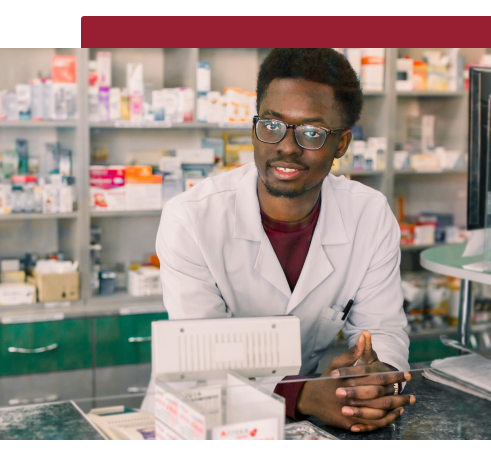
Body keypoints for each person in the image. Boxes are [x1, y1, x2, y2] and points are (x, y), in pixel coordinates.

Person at [155, 48, 415, 433]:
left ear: (341, 144)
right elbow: (201, 363)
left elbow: (384, 330)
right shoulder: (191, 218)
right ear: (255, 126)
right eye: (272, 126)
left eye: (312, 132)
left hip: (314, 418)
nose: (287, 147)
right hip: (213, 416)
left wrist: (374, 377)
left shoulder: (369, 215)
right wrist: (304, 395)